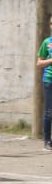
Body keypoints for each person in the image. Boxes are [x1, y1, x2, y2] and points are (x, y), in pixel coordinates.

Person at [38, 18, 52, 151]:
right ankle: (47, 141)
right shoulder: (47, 42)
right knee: (49, 111)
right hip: (49, 79)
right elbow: (39, 63)